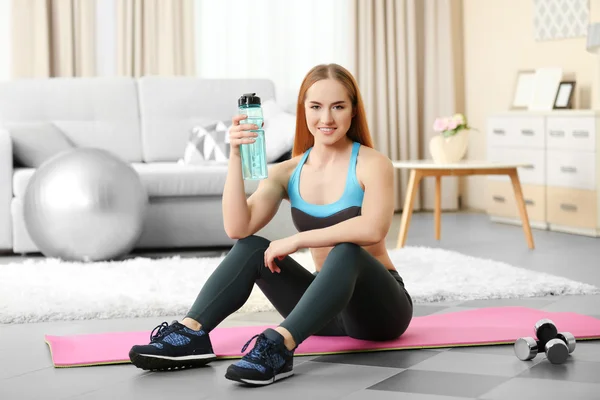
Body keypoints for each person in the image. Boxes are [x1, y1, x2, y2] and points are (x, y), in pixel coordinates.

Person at [128, 63, 413, 386]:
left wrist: (297, 240)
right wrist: (235, 156)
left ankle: (279, 347)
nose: (327, 119)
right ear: (303, 109)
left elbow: (373, 229)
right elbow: (238, 227)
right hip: (324, 311)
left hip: (379, 313)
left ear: (353, 111)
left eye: (338, 107)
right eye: (316, 107)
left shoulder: (373, 164)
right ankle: (192, 333)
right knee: (252, 246)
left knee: (346, 251)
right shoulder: (287, 172)